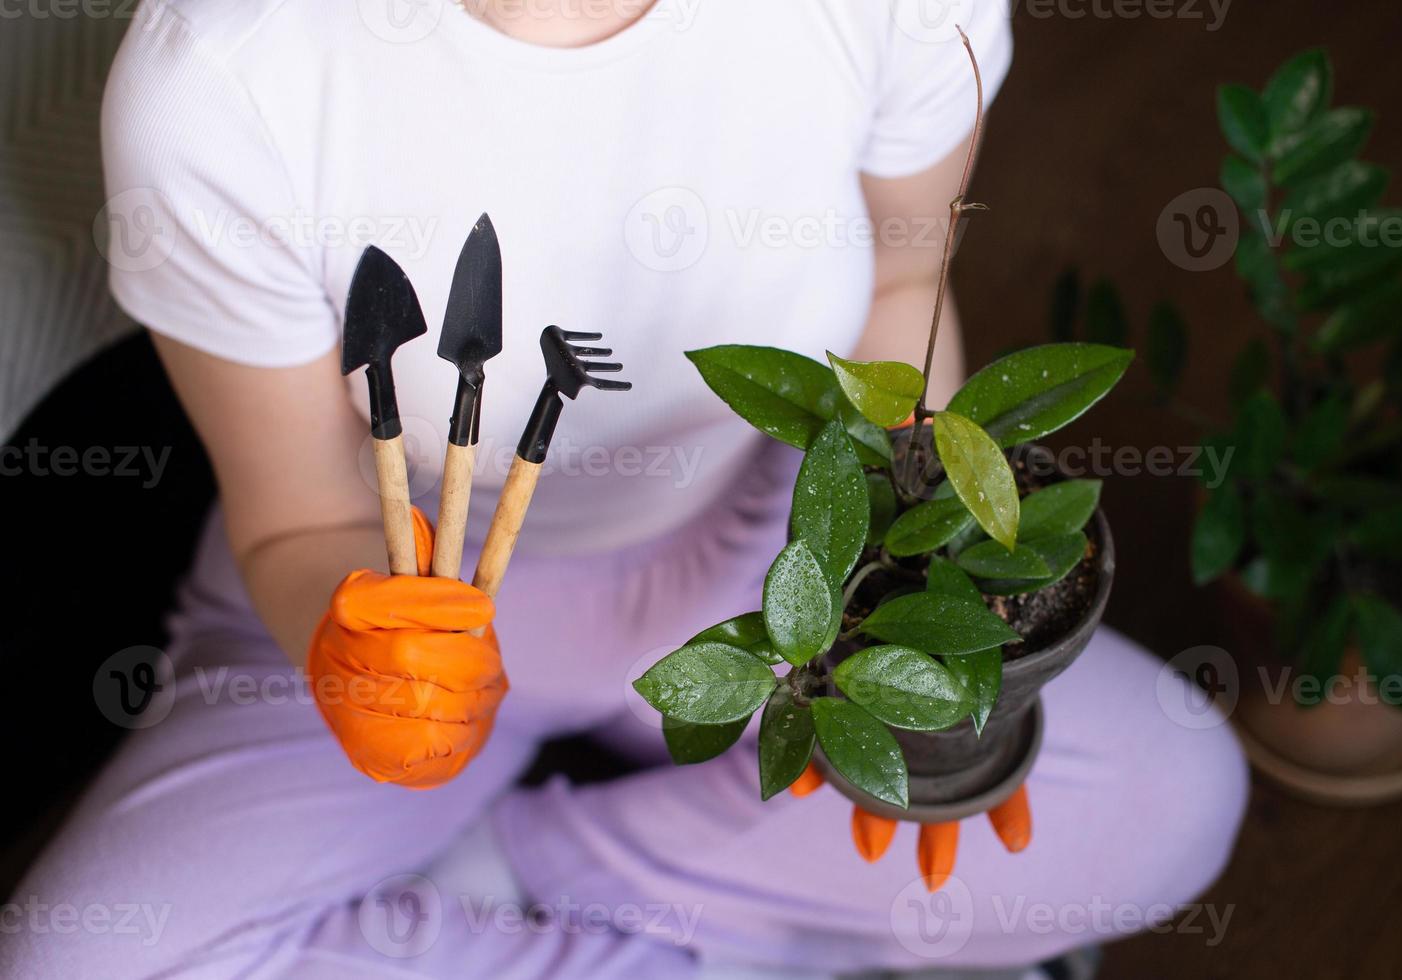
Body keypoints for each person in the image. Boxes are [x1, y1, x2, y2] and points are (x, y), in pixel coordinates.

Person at [4, 1, 1247, 976]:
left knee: (1170, 794)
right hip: (400, 585)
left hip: (775, 567)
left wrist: (903, 619)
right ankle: (763, 940)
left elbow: (904, 298)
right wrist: (356, 657)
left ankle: (499, 878)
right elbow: (303, 516)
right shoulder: (218, 79)